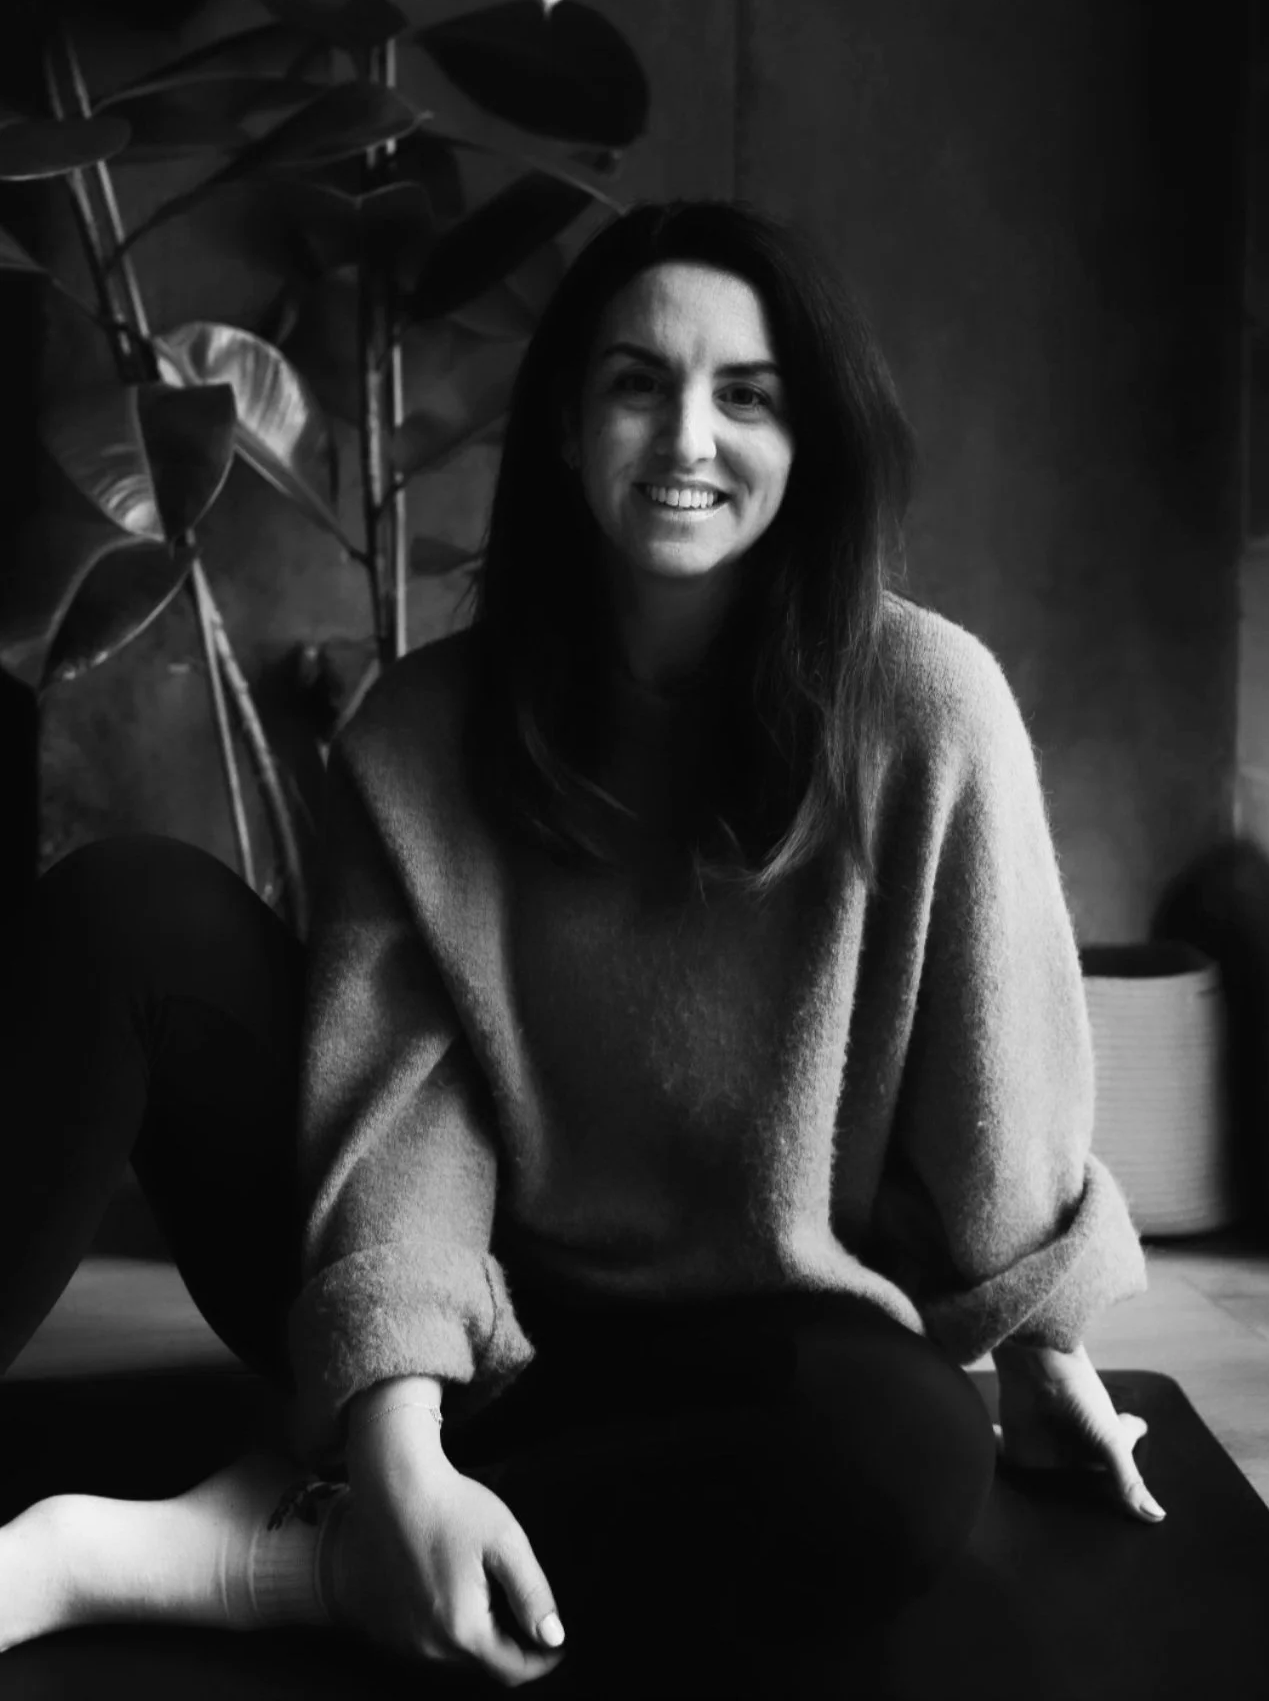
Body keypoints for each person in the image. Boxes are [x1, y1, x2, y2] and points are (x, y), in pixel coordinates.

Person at [0, 199, 1162, 1695]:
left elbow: (995, 1077)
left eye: (746, 395)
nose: (688, 437)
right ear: (564, 427)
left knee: (910, 1448)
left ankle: (265, 1554)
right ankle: (388, 1498)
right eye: (637, 383)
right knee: (126, 909)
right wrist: (398, 1424)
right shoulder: (425, 730)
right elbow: (408, 1113)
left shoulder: (927, 705)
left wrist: (1049, 1346)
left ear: (810, 443)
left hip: (728, 1349)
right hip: (440, 1310)